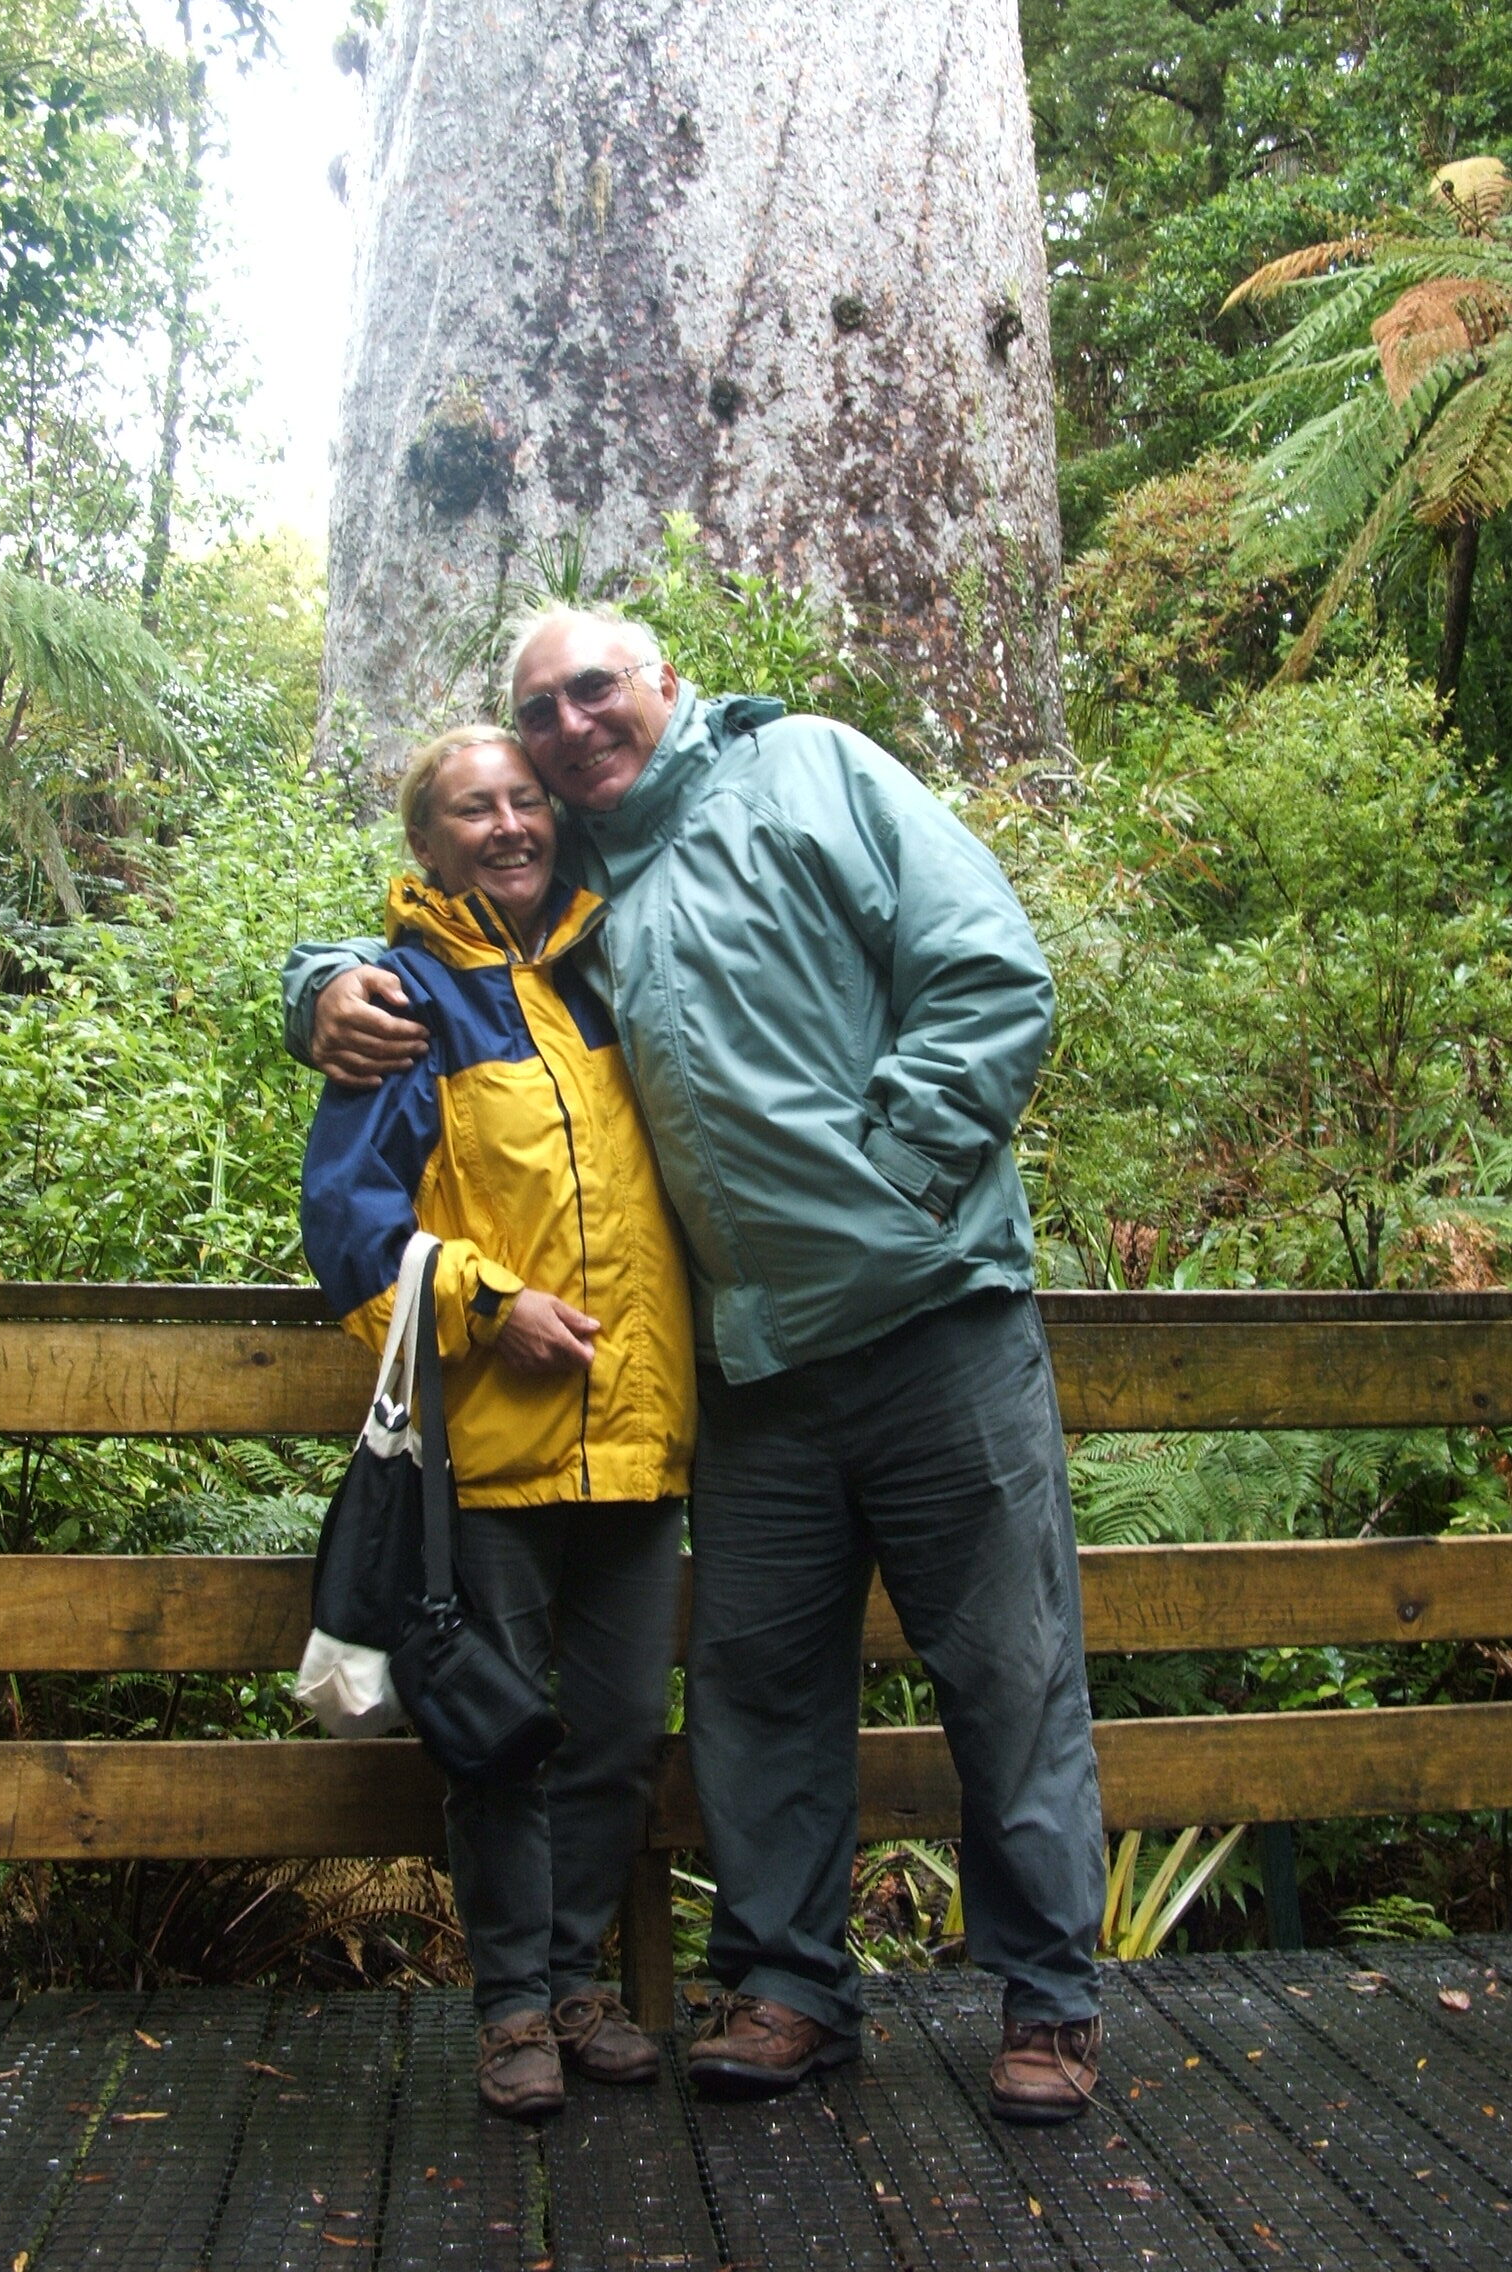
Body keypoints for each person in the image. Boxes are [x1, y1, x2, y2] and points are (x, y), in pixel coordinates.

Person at [285, 615, 1107, 2125]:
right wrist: (321, 981)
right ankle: (790, 1987)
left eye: (597, 686)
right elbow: (448, 937)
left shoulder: (811, 768)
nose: (573, 724)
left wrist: (898, 1184)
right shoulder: (591, 883)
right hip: (755, 1378)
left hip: (936, 1325)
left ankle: (1049, 2001)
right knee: (756, 1690)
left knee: (1007, 1668)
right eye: (540, 711)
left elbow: (991, 973)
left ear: (662, 679)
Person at [298, 720, 695, 2121]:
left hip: (640, 1440)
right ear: (427, 843)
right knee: (499, 1737)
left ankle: (581, 1982)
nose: (510, 824)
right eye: (473, 809)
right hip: (493, 1447)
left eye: (527, 798)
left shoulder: (617, 968)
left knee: (611, 1732)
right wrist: (487, 1303)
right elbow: (350, 1237)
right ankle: (513, 2008)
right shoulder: (403, 1001)